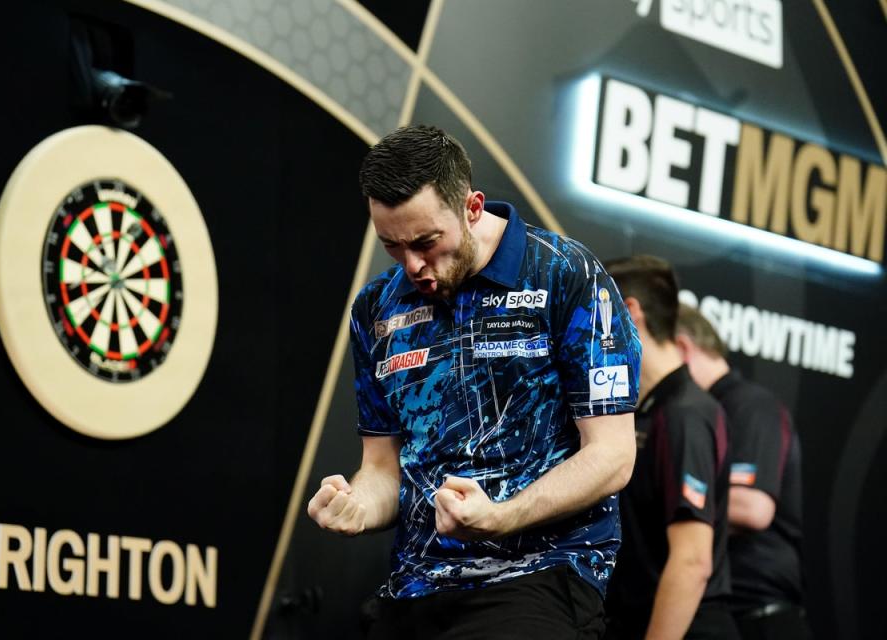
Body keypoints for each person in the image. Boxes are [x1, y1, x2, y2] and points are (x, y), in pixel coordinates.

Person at [307, 124, 641, 639]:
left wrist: (502, 515)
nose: (413, 265)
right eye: (392, 247)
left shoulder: (564, 274)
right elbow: (382, 471)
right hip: (416, 584)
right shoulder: (376, 309)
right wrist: (356, 504)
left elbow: (613, 456)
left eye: (426, 242)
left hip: (539, 573)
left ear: (472, 207)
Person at [602, 255, 739, 640]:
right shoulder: (641, 411)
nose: (581, 331)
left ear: (629, 311)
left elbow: (693, 560)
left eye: (591, 310)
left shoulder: (685, 413)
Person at [676, 304, 811, 640]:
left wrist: (663, 508)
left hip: (756, 615)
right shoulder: (691, 413)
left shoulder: (748, 404)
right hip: (714, 607)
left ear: (681, 348)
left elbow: (752, 507)